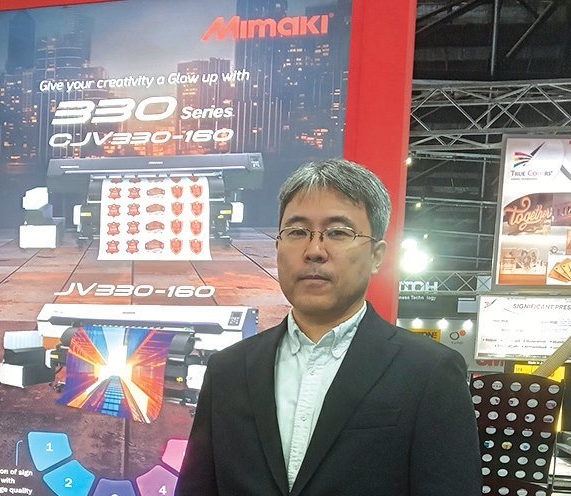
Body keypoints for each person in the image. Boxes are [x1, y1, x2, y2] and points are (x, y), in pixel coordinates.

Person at [176, 158, 481, 496]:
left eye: (338, 232)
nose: (314, 250)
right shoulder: (228, 370)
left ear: (377, 255)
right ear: (277, 247)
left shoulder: (430, 372)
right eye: (297, 232)